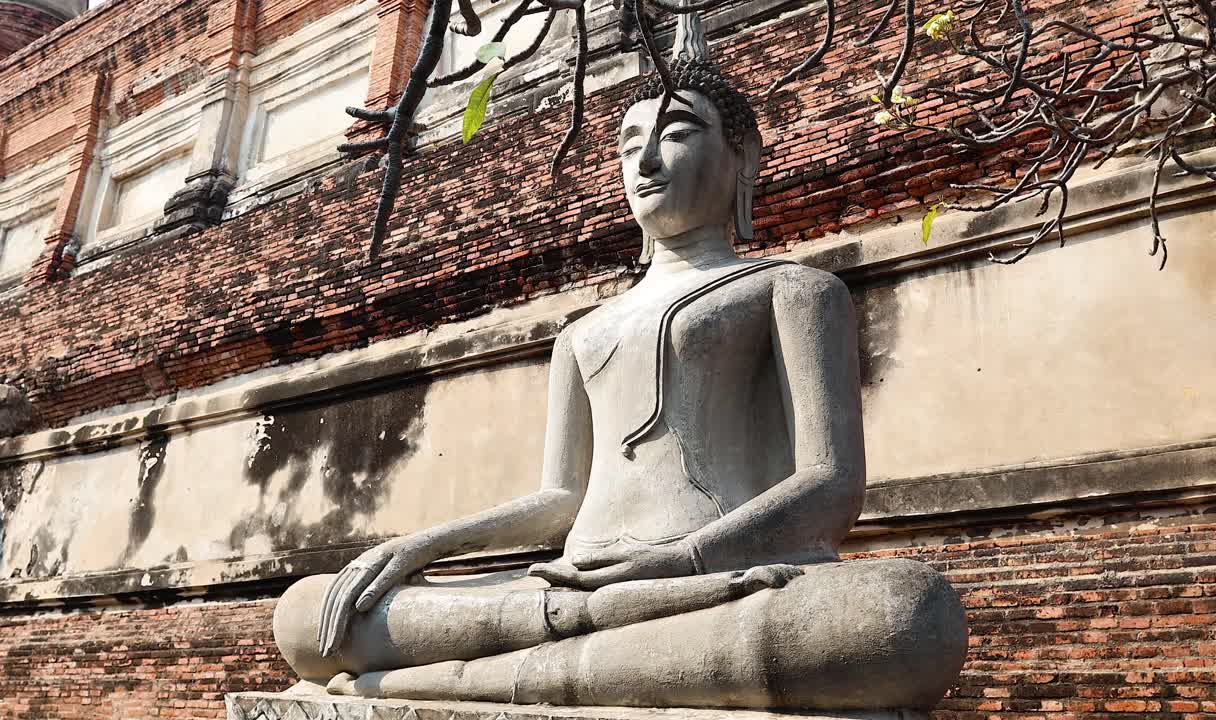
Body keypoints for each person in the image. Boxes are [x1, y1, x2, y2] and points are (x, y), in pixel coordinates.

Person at [271, 12, 967, 710]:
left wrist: (680, 560)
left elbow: (829, 483)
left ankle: (440, 678)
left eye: (676, 133)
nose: (648, 161)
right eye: (630, 143)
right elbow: (560, 500)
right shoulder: (583, 331)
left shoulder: (792, 290)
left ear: (745, 158)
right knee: (310, 613)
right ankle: (574, 639)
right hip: (561, 591)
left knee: (900, 614)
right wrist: (419, 549)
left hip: (707, 587)